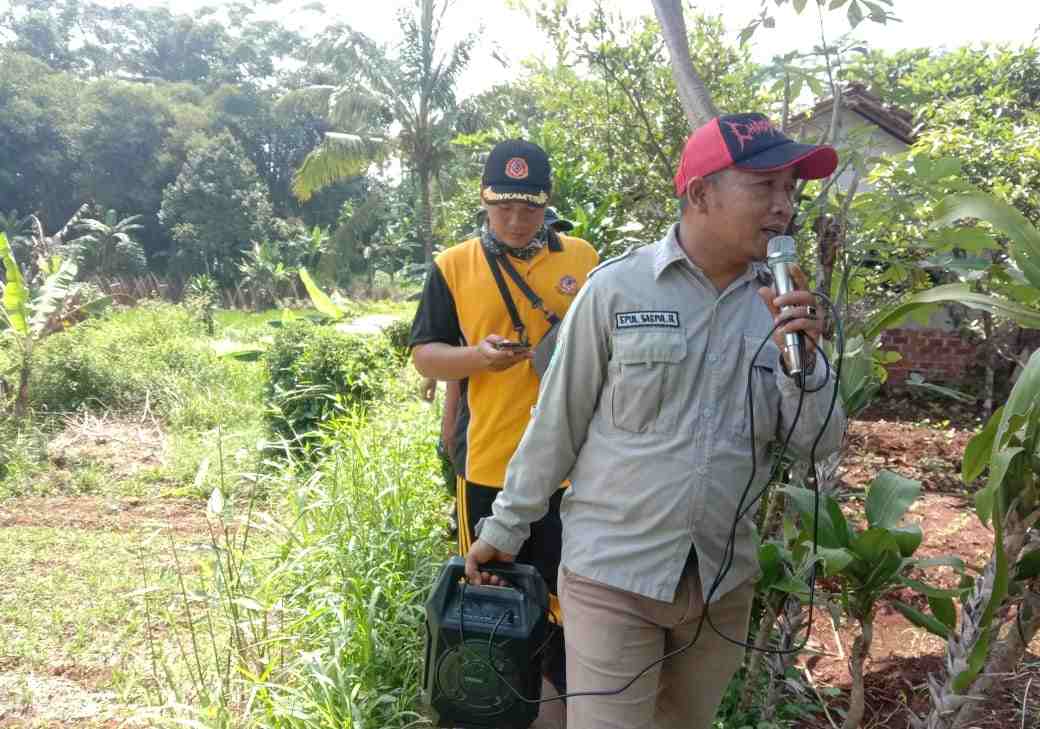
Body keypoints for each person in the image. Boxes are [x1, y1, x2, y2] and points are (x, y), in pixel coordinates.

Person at [464, 113, 847, 729]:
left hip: (720, 586)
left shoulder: (784, 307)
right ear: (701, 193)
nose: (784, 206)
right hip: (612, 576)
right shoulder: (616, 290)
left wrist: (801, 361)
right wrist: (505, 529)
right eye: (764, 186)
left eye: (790, 189)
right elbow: (557, 423)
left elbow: (816, 445)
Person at [409, 139, 599, 702]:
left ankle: (566, 699)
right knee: (493, 588)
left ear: (547, 202)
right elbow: (425, 356)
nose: (516, 221)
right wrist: (477, 358)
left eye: (529, 208)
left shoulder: (583, 259)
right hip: (490, 461)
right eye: (504, 207)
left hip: (574, 466)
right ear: (484, 202)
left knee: (571, 594)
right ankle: (500, 699)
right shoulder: (453, 266)